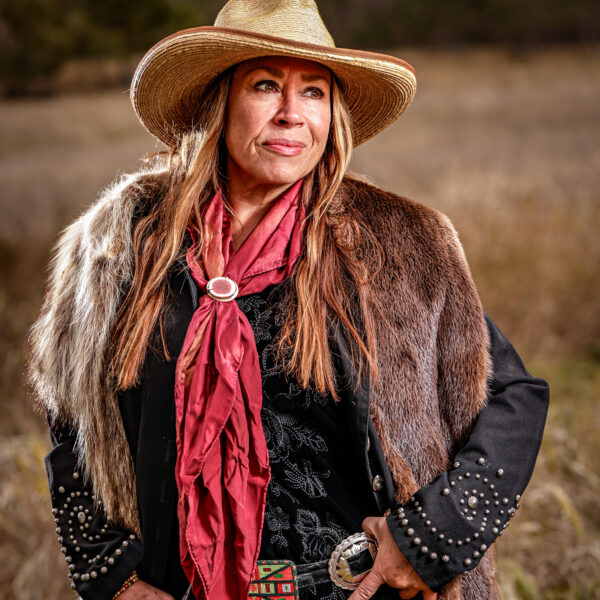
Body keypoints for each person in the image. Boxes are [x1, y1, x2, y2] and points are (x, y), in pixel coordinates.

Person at [27, 1, 549, 599]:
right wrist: (111, 576)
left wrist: (429, 538)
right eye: (266, 85)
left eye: (315, 93)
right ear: (219, 102)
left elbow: (515, 395)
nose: (291, 115)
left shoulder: (395, 247)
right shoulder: (124, 246)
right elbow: (70, 417)